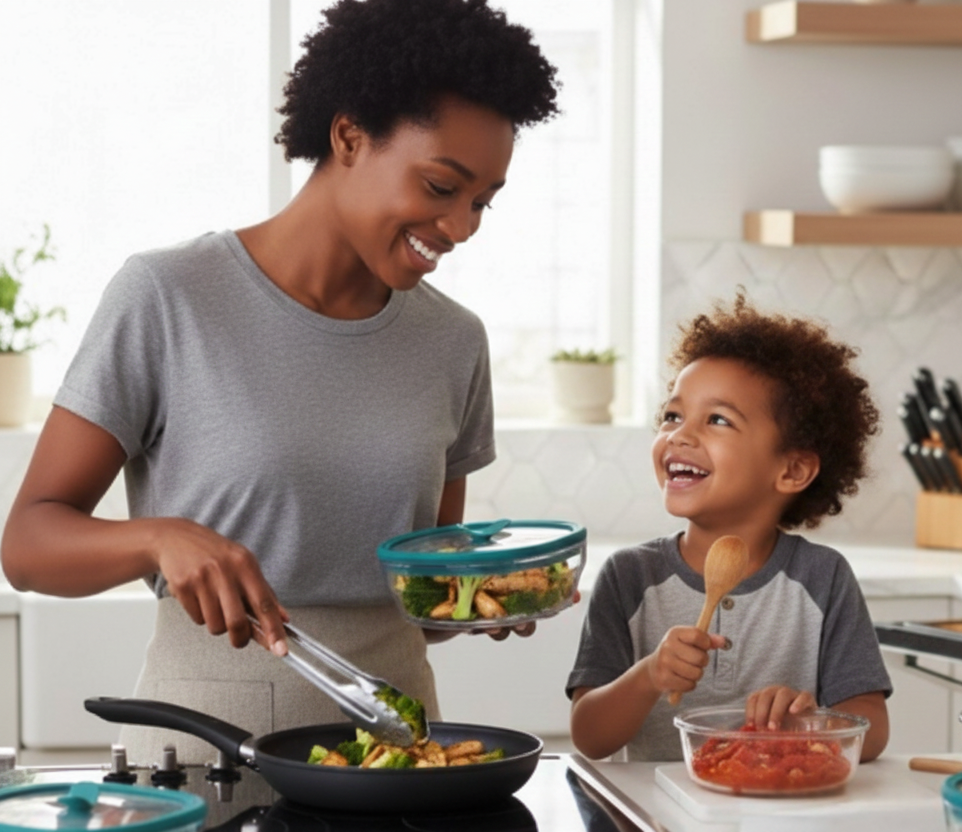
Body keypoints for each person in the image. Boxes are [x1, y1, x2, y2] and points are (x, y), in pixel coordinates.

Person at [0, 0, 559, 763]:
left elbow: (420, 602)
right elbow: (28, 544)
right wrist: (158, 539)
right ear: (349, 137)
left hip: (395, 749)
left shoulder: (453, 342)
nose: (461, 227)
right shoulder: (170, 295)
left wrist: (481, 595)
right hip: (204, 745)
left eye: (482, 203)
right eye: (440, 187)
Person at [567, 292, 892, 762]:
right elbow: (590, 737)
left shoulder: (823, 579)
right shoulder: (630, 577)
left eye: (717, 419)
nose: (679, 434)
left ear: (793, 470)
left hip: (782, 810)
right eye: (673, 415)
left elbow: (872, 729)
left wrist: (811, 723)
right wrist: (650, 675)